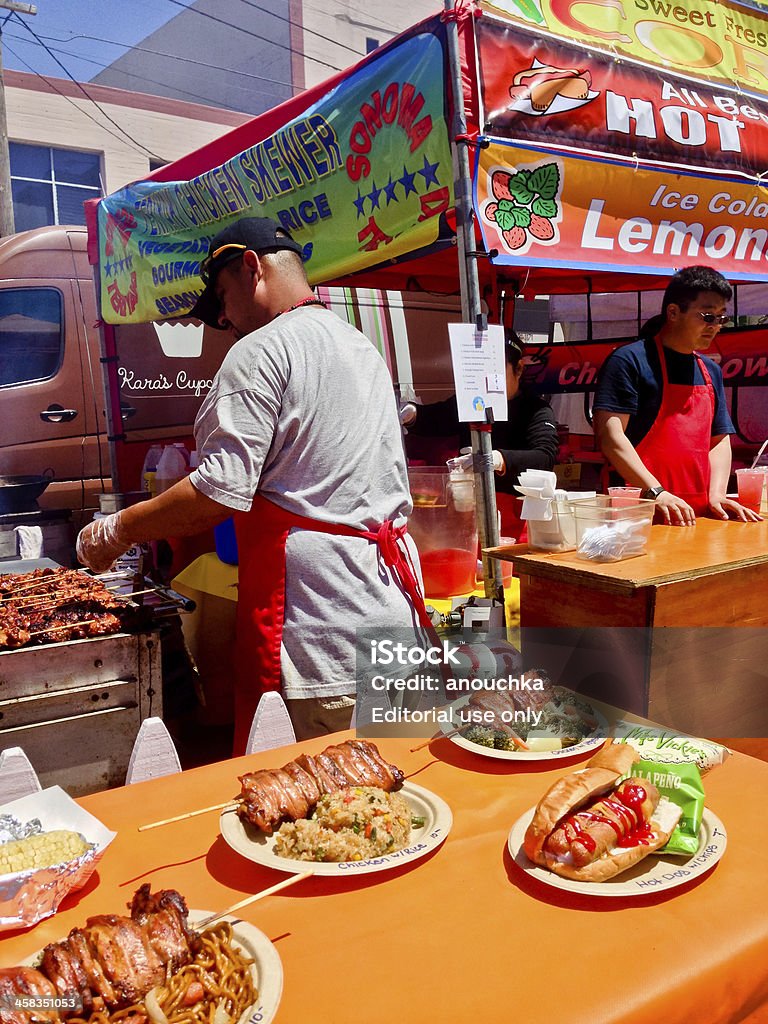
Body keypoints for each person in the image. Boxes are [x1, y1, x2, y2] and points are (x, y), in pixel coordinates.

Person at [76, 217, 431, 753]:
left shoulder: (259, 351)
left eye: (221, 295)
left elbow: (218, 489)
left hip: (321, 638)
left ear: (251, 267)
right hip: (393, 616)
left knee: (322, 815)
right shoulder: (360, 347)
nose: (222, 316)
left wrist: (117, 530)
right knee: (402, 804)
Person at [592, 265, 760, 526]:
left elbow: (718, 440)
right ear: (673, 312)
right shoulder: (629, 361)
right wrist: (656, 491)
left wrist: (717, 494)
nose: (715, 326)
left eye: (721, 318)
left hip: (698, 515)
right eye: (707, 316)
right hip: (637, 511)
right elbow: (611, 437)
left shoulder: (710, 371)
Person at [401, 330, 559, 531]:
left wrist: (498, 460)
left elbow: (544, 457)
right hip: (467, 513)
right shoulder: (471, 403)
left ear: (518, 369)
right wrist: (413, 414)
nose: (487, 379)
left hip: (516, 519)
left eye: (495, 370)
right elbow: (437, 418)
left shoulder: (536, 410)